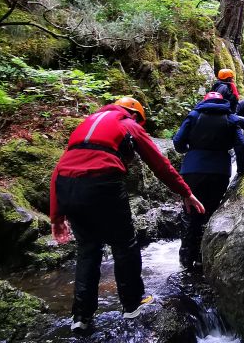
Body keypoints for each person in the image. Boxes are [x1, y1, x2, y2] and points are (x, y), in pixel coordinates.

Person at [49, 97, 205, 333]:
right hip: (103, 182)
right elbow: (160, 164)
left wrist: (56, 215)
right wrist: (186, 193)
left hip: (67, 187)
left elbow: (60, 168)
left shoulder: (86, 124)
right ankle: (133, 304)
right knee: (124, 244)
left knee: (88, 249)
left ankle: (81, 316)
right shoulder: (128, 124)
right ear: (135, 115)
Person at [172, 92, 244, 270]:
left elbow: (178, 141)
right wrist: (241, 170)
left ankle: (186, 259)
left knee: (190, 213)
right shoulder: (230, 118)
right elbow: (240, 146)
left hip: (192, 170)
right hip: (219, 171)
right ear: (222, 102)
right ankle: (204, 256)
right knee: (210, 211)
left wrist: (190, 149)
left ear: (205, 102)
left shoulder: (194, 115)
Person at [211, 68, 244, 137]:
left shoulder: (221, 85)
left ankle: (242, 124)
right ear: (227, 78)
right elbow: (218, 103)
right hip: (227, 113)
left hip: (232, 108)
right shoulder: (223, 88)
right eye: (231, 78)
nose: (232, 79)